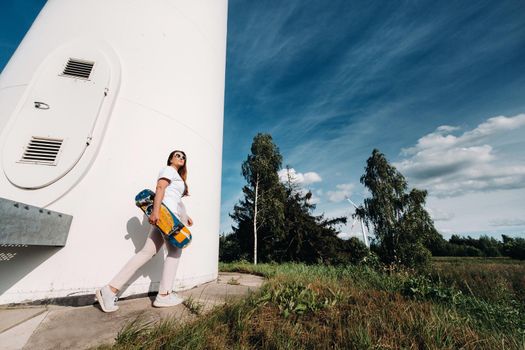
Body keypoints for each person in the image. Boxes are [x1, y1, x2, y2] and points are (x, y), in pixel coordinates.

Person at [96, 150, 193, 312]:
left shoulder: (178, 177)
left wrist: (185, 215)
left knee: (146, 253)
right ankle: (164, 295)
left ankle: (109, 290)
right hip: (165, 216)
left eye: (183, 157)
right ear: (170, 159)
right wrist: (155, 212)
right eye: (177, 155)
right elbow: (160, 188)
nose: (181, 158)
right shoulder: (168, 170)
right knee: (175, 251)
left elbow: (174, 198)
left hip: (169, 215)